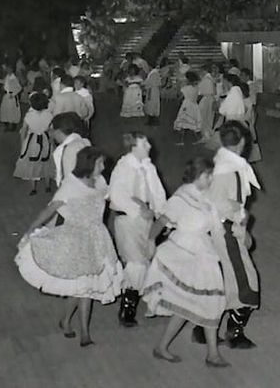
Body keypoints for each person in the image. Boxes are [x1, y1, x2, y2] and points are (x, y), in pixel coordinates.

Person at [14, 147, 124, 347]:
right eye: (100, 163)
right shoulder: (70, 185)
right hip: (75, 239)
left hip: (97, 239)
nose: (103, 166)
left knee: (82, 287)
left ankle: (66, 321)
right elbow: (50, 209)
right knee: (84, 288)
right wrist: (31, 229)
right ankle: (84, 333)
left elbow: (111, 198)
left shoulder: (100, 181)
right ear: (89, 164)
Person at [143, 158, 230, 368]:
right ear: (200, 176)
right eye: (209, 175)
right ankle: (207, 353)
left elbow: (219, 227)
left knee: (205, 302)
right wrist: (150, 241)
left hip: (204, 253)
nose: (212, 179)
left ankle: (210, 353)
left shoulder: (209, 199)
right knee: (193, 302)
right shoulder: (182, 196)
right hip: (182, 252)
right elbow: (161, 221)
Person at [194, 121, 261, 349]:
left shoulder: (219, 162)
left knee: (221, 279)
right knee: (246, 282)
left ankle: (201, 329)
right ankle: (235, 332)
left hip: (213, 229)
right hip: (226, 230)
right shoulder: (230, 169)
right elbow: (227, 205)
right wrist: (242, 224)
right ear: (242, 142)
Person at [110, 133, 167, 328]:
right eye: (145, 143)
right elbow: (117, 196)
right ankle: (127, 307)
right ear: (133, 147)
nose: (149, 145)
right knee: (136, 262)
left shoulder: (148, 167)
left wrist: (161, 216)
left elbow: (158, 193)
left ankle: (134, 297)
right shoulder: (124, 167)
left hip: (147, 220)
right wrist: (140, 210)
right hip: (129, 220)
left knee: (144, 258)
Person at [13, 92, 54, 195]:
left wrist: (23, 143)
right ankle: (48, 186)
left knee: (32, 163)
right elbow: (51, 130)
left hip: (32, 141)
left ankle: (33, 188)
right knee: (46, 161)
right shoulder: (49, 115)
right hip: (45, 139)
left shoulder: (29, 115)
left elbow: (24, 131)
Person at [50, 111, 90, 187]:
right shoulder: (85, 141)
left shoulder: (67, 150)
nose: (51, 134)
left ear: (58, 131)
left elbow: (70, 179)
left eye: (52, 131)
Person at [173, 71, 203, 145]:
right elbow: (198, 96)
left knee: (182, 122)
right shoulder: (196, 87)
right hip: (194, 105)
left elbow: (179, 96)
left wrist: (178, 87)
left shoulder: (185, 88)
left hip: (186, 105)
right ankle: (197, 139)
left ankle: (181, 140)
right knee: (193, 123)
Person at [0, 65, 22, 131]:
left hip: (11, 96)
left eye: (9, 68)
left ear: (12, 69)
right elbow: (4, 82)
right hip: (6, 96)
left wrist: (14, 94)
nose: (7, 70)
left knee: (11, 112)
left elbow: (19, 88)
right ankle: (8, 125)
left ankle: (12, 126)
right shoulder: (7, 76)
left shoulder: (14, 78)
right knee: (5, 110)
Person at [143, 61, 162, 126]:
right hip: (155, 90)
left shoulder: (153, 73)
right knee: (154, 104)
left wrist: (143, 84)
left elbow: (148, 82)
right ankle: (153, 119)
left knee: (151, 104)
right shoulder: (156, 72)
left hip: (152, 90)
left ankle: (151, 120)